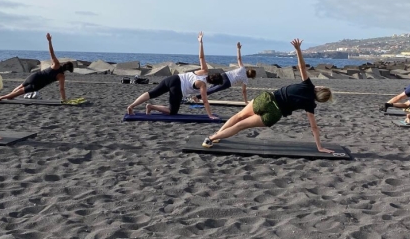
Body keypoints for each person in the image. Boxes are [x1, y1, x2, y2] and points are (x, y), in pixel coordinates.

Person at [201, 38, 334, 153]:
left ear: (320, 89)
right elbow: (314, 128)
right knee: (240, 126)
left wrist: (298, 49)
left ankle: (216, 135)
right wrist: (319, 147)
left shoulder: (308, 85)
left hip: (267, 99)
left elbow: (302, 67)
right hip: (274, 114)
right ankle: (211, 139)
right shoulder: (310, 104)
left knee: (238, 117)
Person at [126, 32, 223, 119]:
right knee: (172, 111)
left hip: (173, 78)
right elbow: (205, 102)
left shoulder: (204, 71)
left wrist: (200, 42)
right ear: (214, 83)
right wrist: (210, 115)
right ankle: (151, 107)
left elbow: (201, 57)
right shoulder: (203, 85)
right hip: (177, 88)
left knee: (152, 93)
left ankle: (132, 106)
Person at [0, 33, 74, 102]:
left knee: (19, 87)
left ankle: (7, 96)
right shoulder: (61, 76)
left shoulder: (56, 64)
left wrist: (49, 41)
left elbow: (51, 52)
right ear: (68, 70)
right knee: (19, 92)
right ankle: (3, 97)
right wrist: (64, 100)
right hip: (37, 84)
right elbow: (61, 89)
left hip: (35, 76)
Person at [192, 42, 257, 104]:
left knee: (212, 86)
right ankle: (197, 97)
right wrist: (245, 101)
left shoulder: (243, 68)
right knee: (213, 89)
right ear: (251, 76)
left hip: (224, 75)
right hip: (228, 82)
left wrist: (238, 49)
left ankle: (196, 92)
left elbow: (239, 58)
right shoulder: (245, 79)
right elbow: (244, 91)